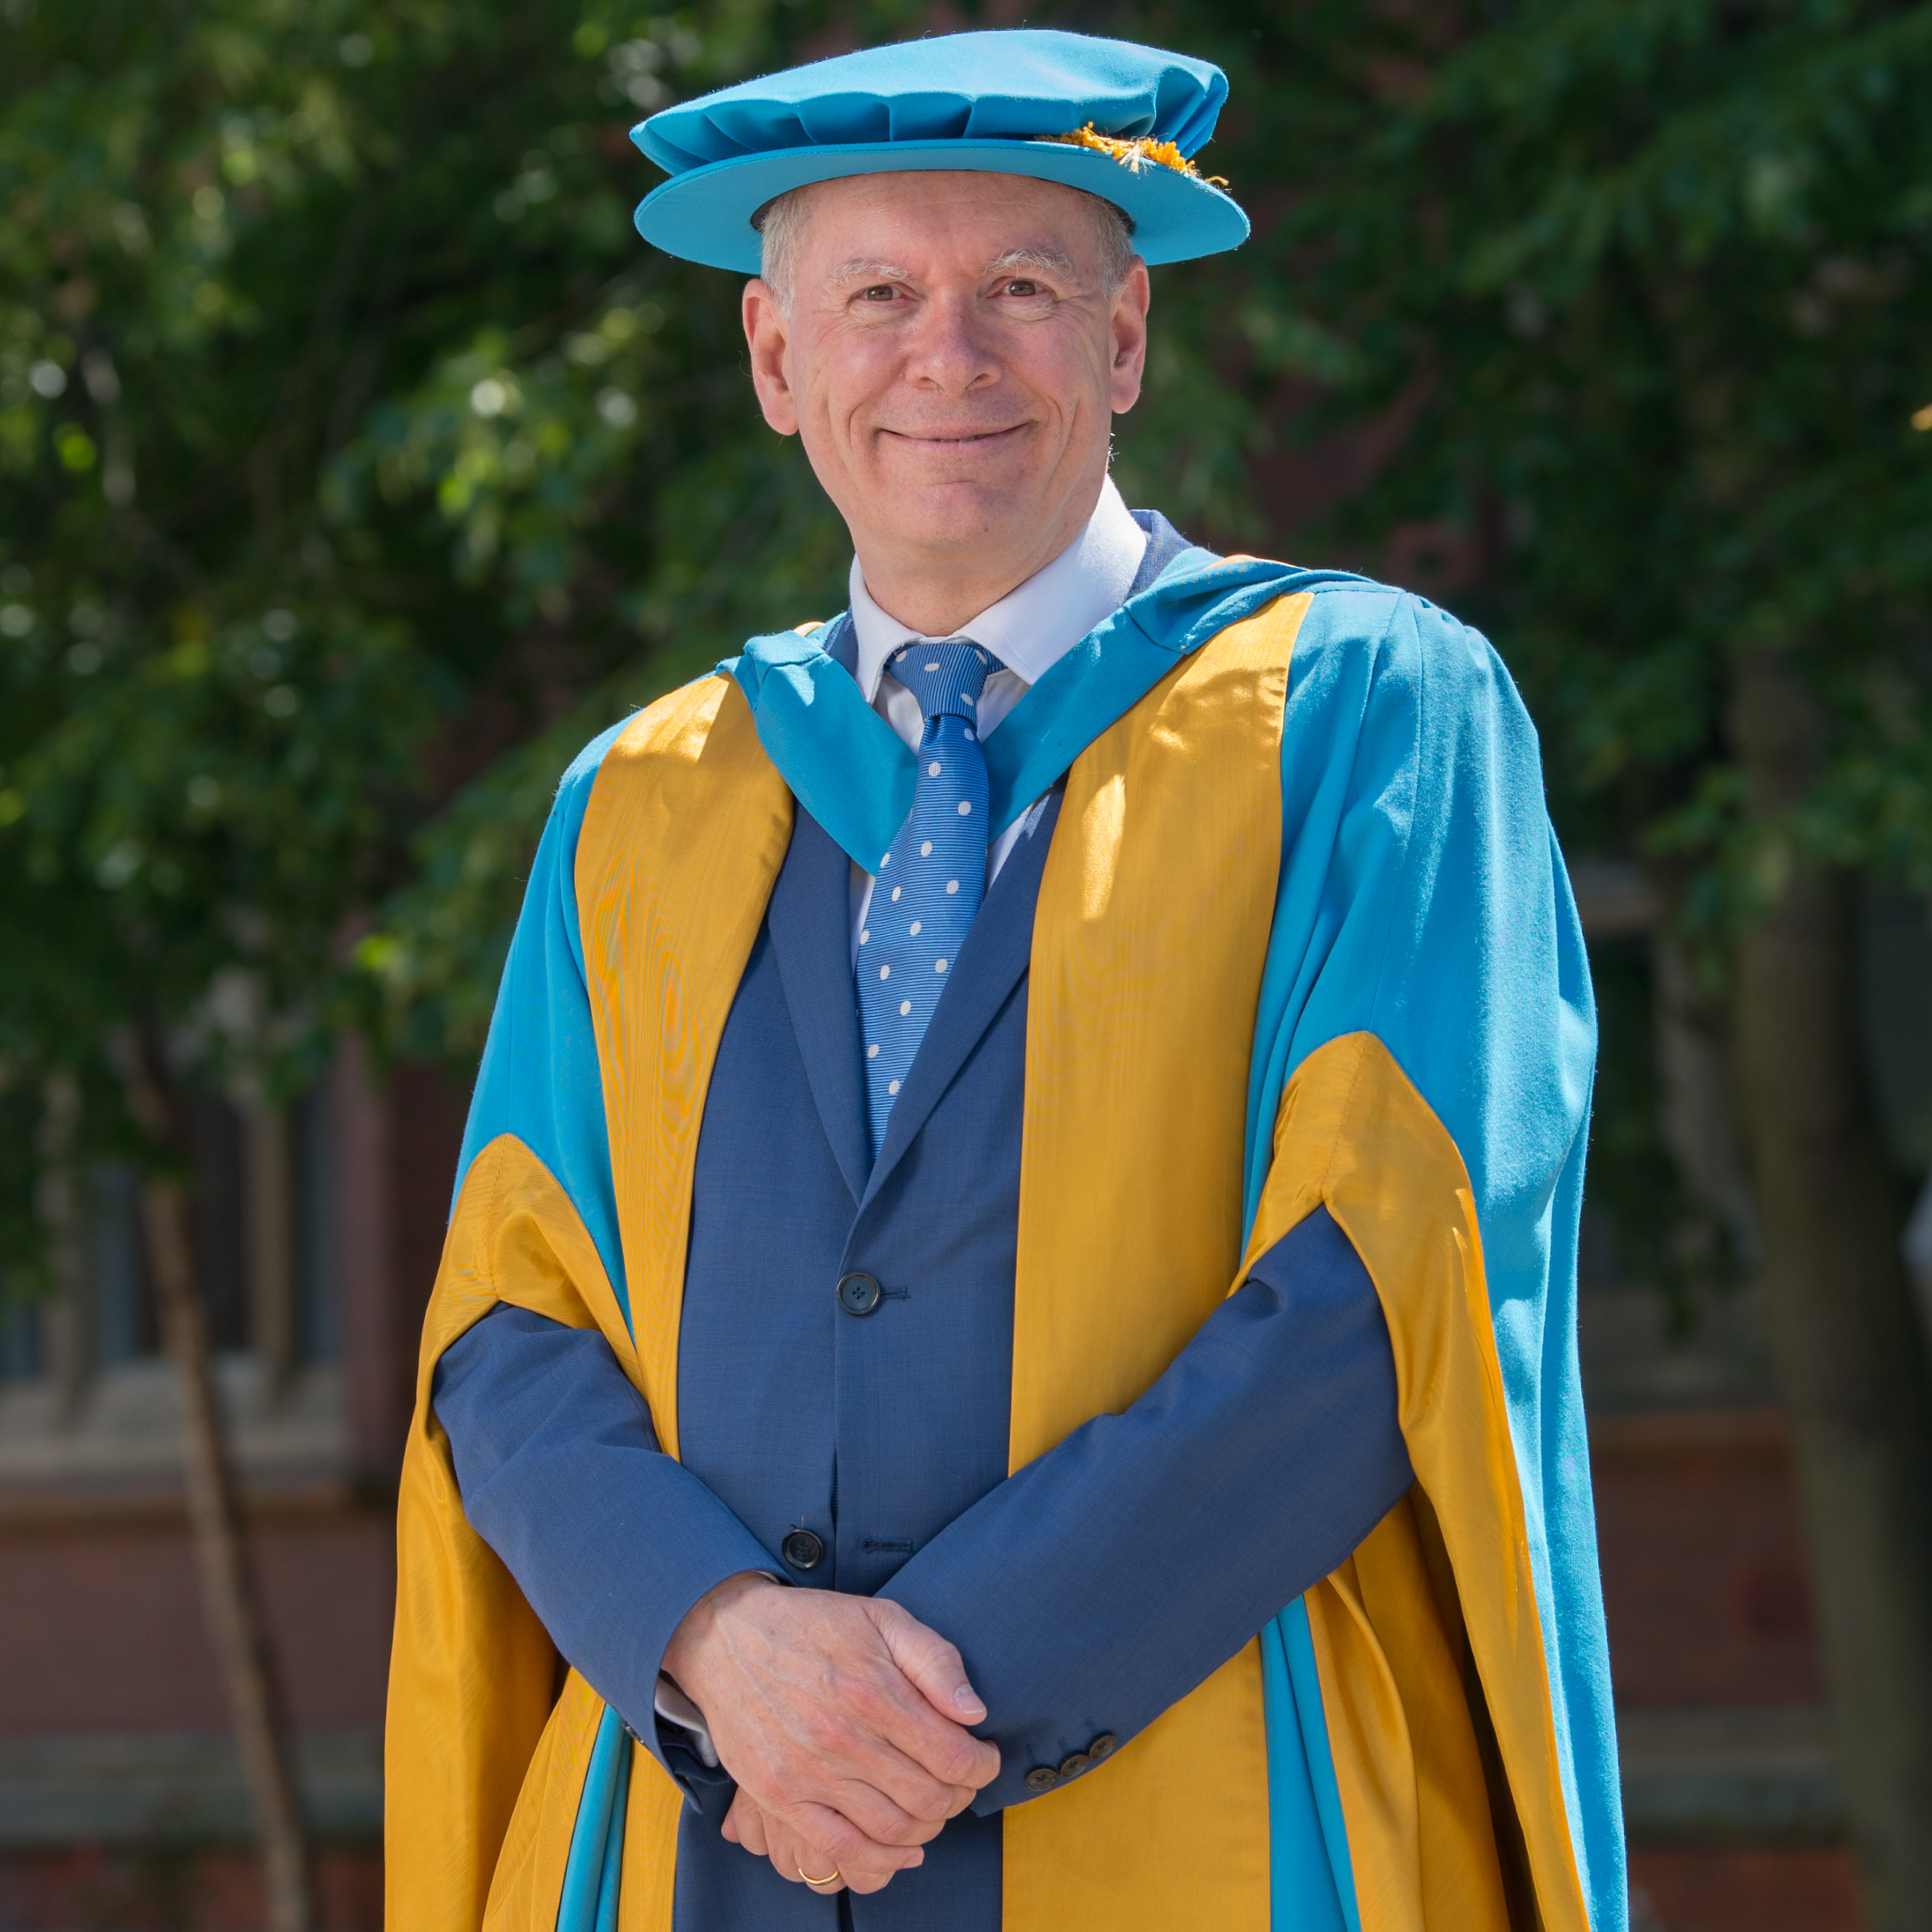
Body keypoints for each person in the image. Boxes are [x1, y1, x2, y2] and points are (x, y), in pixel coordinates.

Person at [386, 28, 1626, 1932]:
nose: (946, 356)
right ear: (778, 362)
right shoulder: (646, 795)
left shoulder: (1363, 713)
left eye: (1021, 292)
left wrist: (899, 1714)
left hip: (1213, 1805)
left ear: (1123, 341)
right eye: (876, 293)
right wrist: (718, 1644)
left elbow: (1386, 1284)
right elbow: (506, 1331)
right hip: (701, 1826)